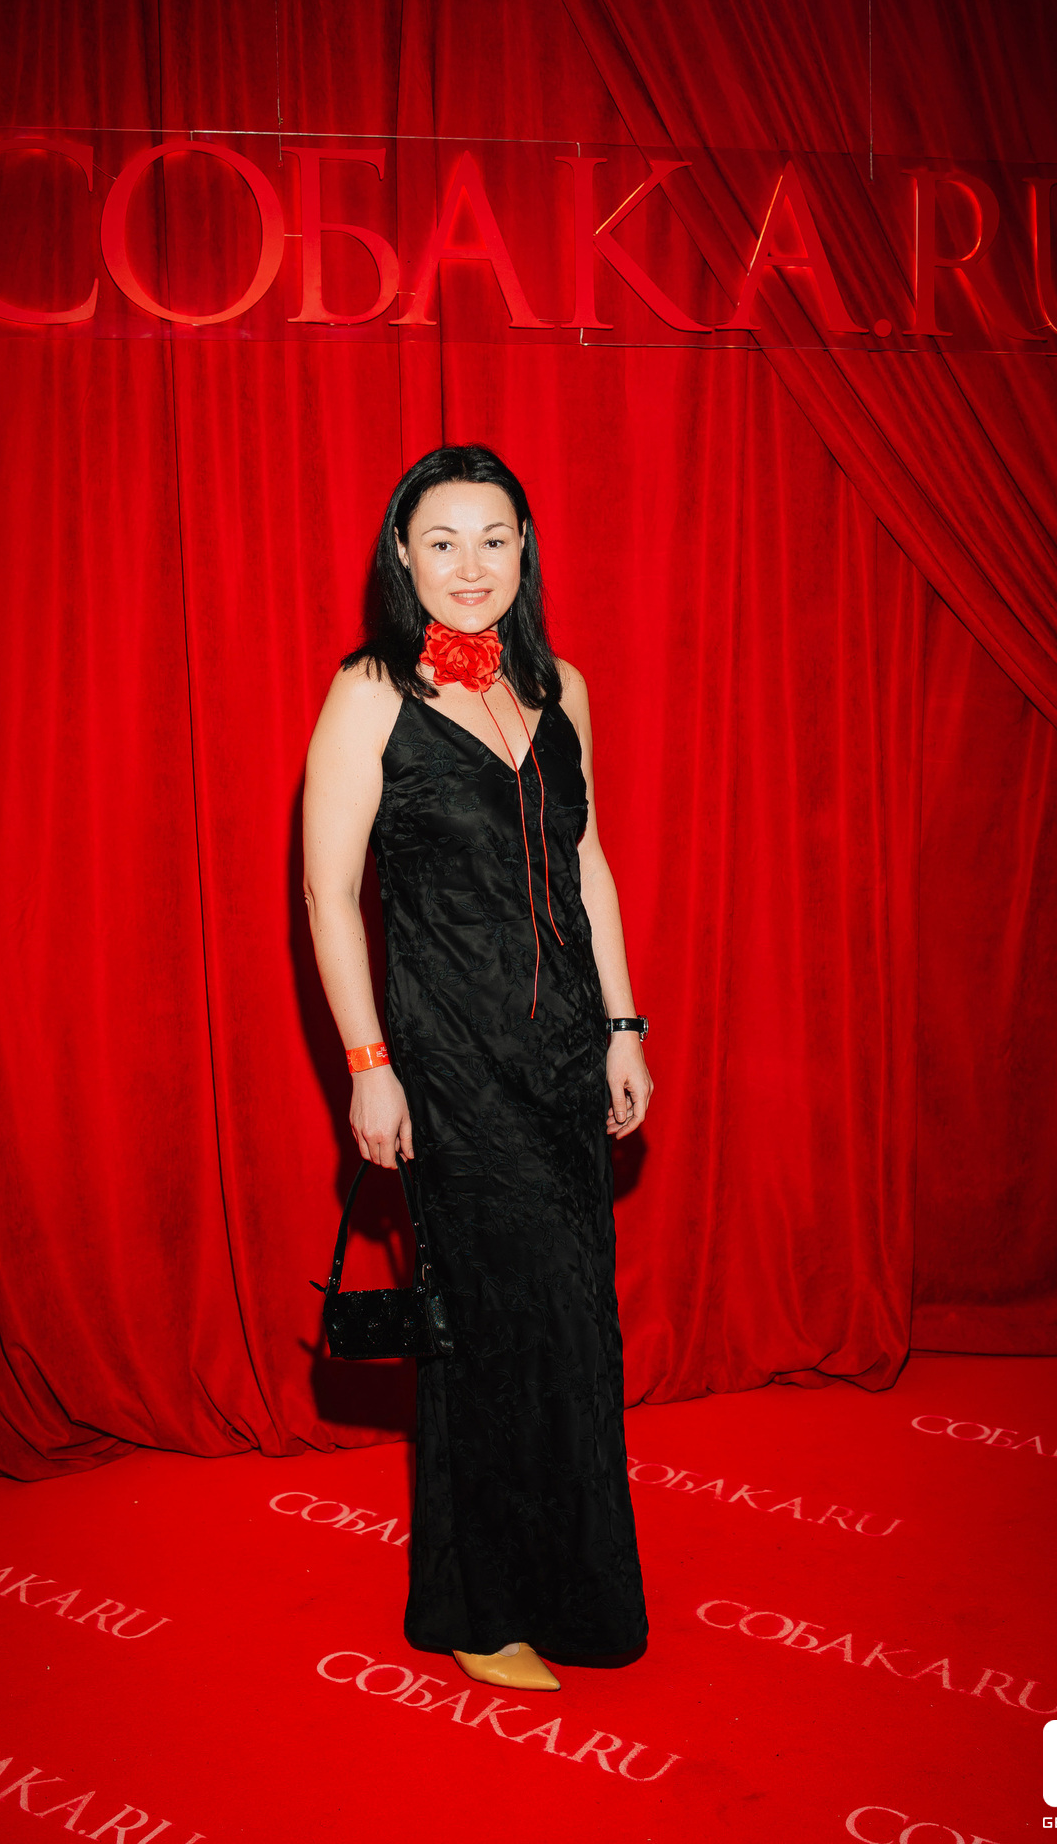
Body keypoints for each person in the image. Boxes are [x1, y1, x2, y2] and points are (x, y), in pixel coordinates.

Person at [302, 444, 651, 1692]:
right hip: (447, 1062)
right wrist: (368, 1066)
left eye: (492, 539)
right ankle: (476, 1602)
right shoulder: (368, 693)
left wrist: (623, 1028)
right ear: (401, 556)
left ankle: (575, 1588)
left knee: (572, 1319)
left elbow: (586, 862)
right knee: (487, 1325)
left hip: (563, 1056)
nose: (468, 565)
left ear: (523, 551)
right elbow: (327, 894)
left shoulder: (560, 686)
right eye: (440, 541)